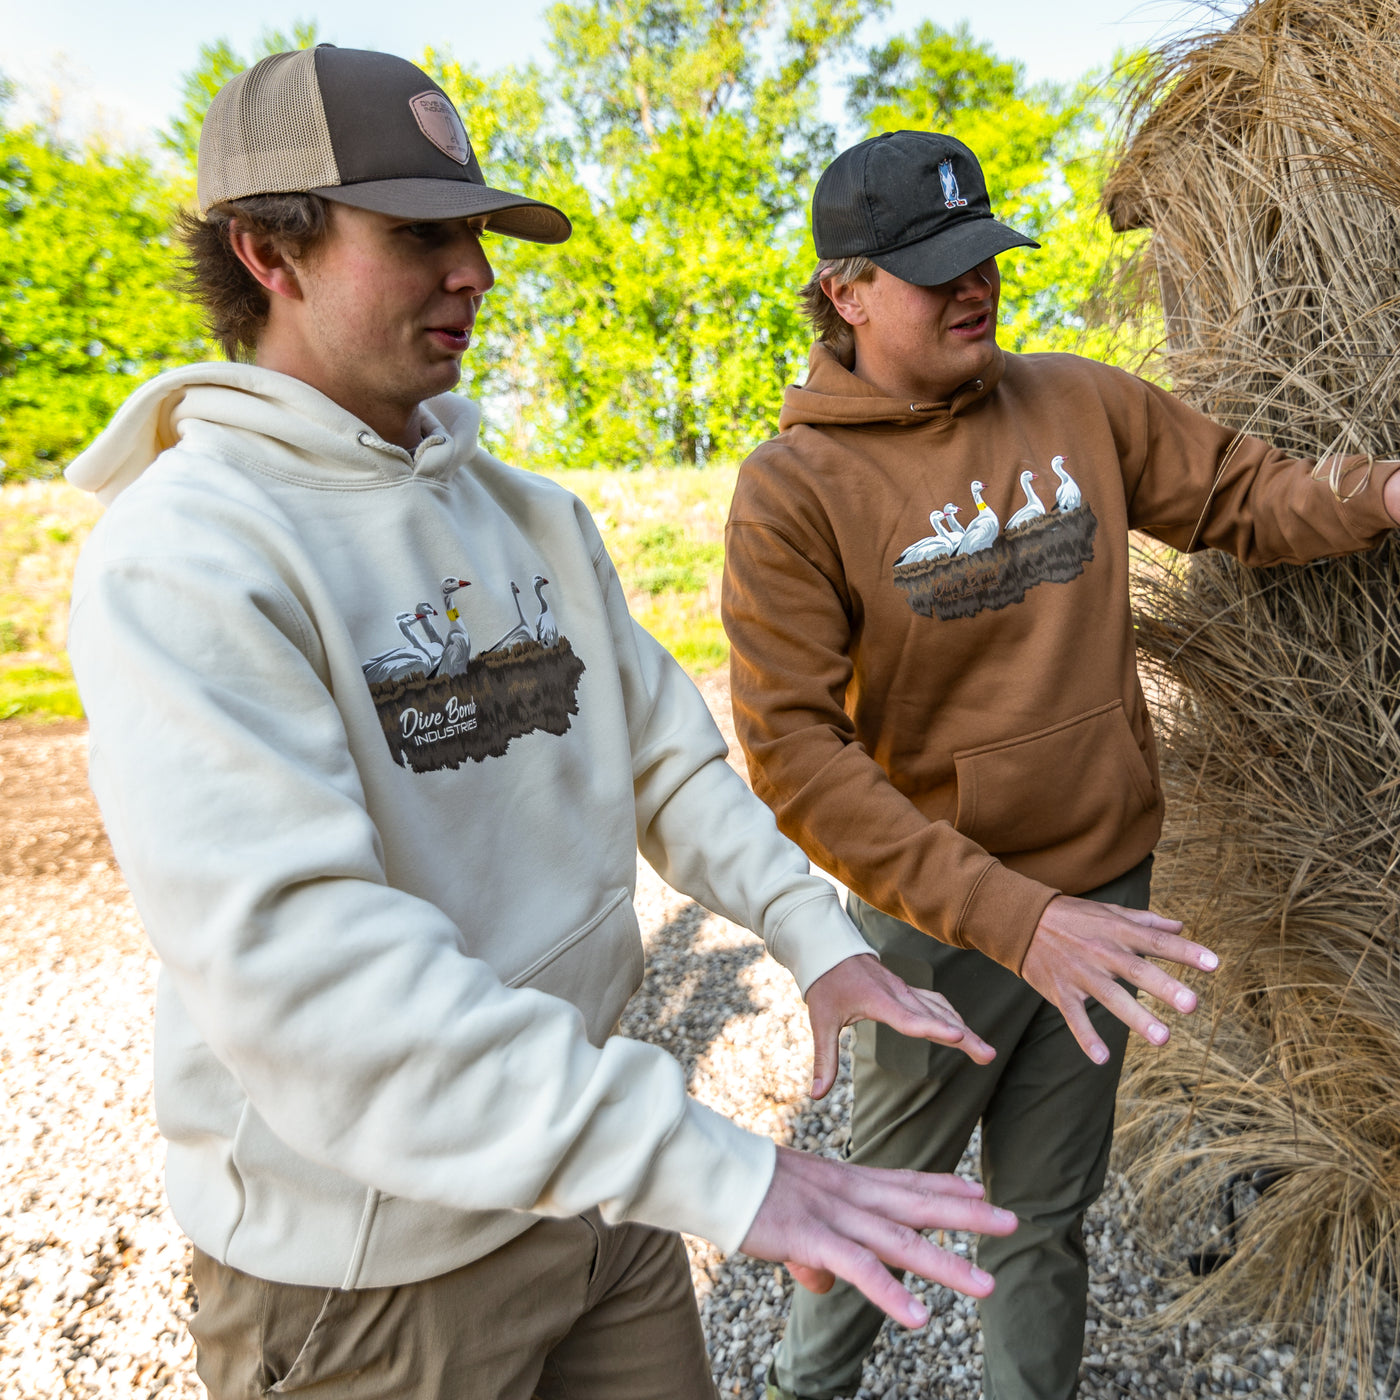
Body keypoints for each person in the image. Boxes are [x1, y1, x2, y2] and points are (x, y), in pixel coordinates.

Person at [64, 58, 1020, 1400]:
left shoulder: (529, 518)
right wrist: (719, 1171)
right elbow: (317, 978)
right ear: (267, 250)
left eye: (475, 233)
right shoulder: (190, 556)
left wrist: (815, 942)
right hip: (372, 1280)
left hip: (592, 1205)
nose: (477, 274)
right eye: (419, 237)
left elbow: (669, 763)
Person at [721, 129, 1400, 1400]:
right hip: (944, 927)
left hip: (1106, 894)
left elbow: (1245, 497)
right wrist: (1006, 919)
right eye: (934, 268)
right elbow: (793, 755)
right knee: (888, 1214)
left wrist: (1379, 491)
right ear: (846, 290)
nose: (973, 284)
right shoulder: (792, 490)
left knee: (1044, 1216)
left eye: (982, 253)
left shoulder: (1078, 402)